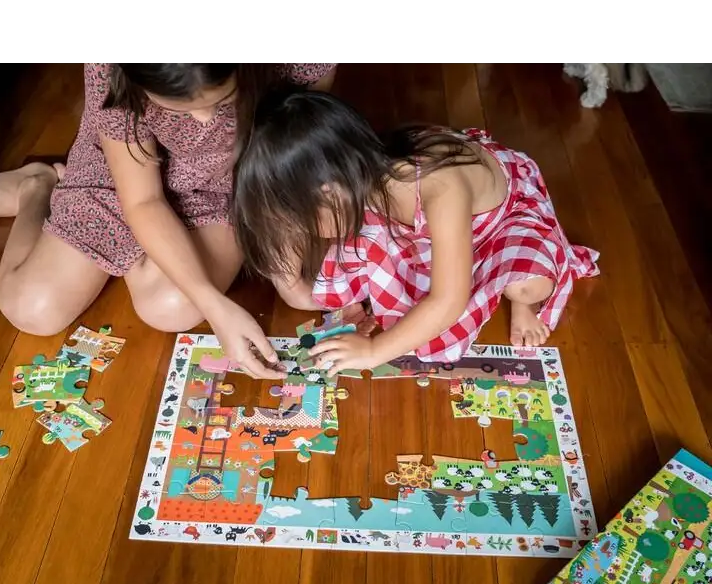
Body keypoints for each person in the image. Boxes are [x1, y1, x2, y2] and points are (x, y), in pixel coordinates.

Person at [0, 59, 337, 378]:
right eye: (178, 108)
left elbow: (291, 155)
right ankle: (35, 185)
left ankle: (138, 251)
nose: (202, 119)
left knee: (170, 307)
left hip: (229, 175)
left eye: (222, 99)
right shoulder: (112, 68)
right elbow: (143, 200)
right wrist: (214, 305)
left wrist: (287, 273)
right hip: (123, 170)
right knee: (32, 308)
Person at [232, 88, 600, 376]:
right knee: (365, 252)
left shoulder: (441, 190)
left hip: (502, 222)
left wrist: (375, 352)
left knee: (524, 284)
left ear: (330, 193)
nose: (311, 235)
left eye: (305, 224)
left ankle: (524, 300)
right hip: (418, 217)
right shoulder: (360, 183)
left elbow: (447, 302)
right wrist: (349, 303)